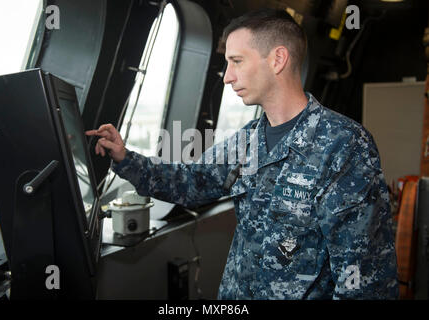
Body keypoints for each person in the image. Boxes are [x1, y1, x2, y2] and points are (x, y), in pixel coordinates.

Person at [86, 9, 399, 299]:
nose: (227, 76)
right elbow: (192, 182)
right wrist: (125, 158)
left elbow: (365, 277)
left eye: (236, 61)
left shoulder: (344, 145)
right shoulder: (246, 141)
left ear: (277, 59)